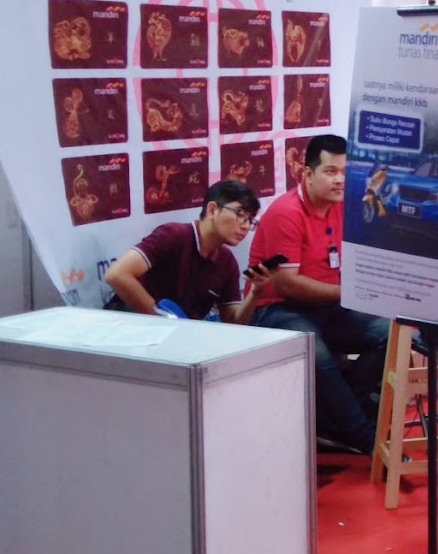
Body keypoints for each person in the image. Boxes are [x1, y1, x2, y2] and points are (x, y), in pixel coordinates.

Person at [247, 134, 389, 454]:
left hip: (328, 305)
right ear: (308, 174)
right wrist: (350, 292)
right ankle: (363, 436)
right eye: (330, 171)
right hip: (277, 308)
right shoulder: (286, 213)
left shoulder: (343, 208)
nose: (340, 180)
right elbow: (287, 285)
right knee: (316, 351)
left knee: (390, 335)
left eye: (345, 172)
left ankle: (334, 421)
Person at [104, 180, 265, 322]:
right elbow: (117, 275)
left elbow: (232, 322)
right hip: (132, 325)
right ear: (212, 210)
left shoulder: (227, 262)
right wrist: (162, 318)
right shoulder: (173, 235)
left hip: (181, 336)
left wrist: (255, 292)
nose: (245, 226)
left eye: (250, 220)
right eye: (240, 214)